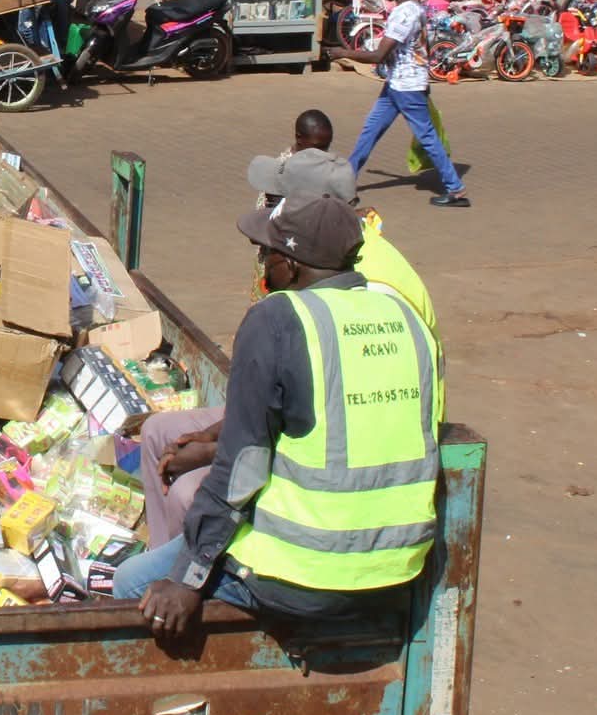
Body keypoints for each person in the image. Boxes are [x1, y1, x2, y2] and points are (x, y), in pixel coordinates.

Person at [115, 197, 442, 639]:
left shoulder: (279, 319)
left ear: (289, 265)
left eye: (266, 253)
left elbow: (241, 470)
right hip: (398, 567)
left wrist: (186, 578)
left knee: (131, 582)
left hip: (305, 573)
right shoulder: (406, 317)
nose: (263, 264)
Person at [342, 0, 468, 207]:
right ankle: (346, 180)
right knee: (370, 131)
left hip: (406, 87)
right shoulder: (414, 10)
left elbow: (379, 55)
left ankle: (455, 189)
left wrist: (344, 52)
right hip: (399, 83)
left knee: (427, 137)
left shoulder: (404, 15)